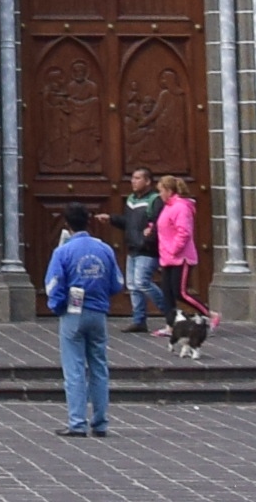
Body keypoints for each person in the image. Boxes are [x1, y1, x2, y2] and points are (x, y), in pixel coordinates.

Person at [43, 203, 122, 434]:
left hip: (73, 311)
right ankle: (100, 421)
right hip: (98, 312)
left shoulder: (63, 251)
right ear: (88, 221)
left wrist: (57, 307)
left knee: (74, 368)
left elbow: (53, 285)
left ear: (67, 224)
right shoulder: (104, 249)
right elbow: (117, 282)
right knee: (99, 366)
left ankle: (77, 422)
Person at [151, 181, 202, 344]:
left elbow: (184, 232)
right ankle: (171, 326)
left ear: (169, 190)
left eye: (161, 191)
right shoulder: (168, 206)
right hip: (168, 258)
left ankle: (209, 315)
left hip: (181, 257)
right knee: (167, 292)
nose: (160, 194)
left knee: (180, 292)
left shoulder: (181, 207)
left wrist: (173, 250)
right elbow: (165, 227)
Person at [120, 168, 166, 330]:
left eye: (138, 178)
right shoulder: (131, 199)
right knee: (133, 285)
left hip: (146, 250)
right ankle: (139, 319)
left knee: (142, 283)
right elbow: (128, 222)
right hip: (133, 247)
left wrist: (146, 240)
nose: (133, 181)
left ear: (147, 181)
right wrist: (111, 219)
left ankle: (170, 313)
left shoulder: (155, 200)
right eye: (132, 177)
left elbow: (158, 223)